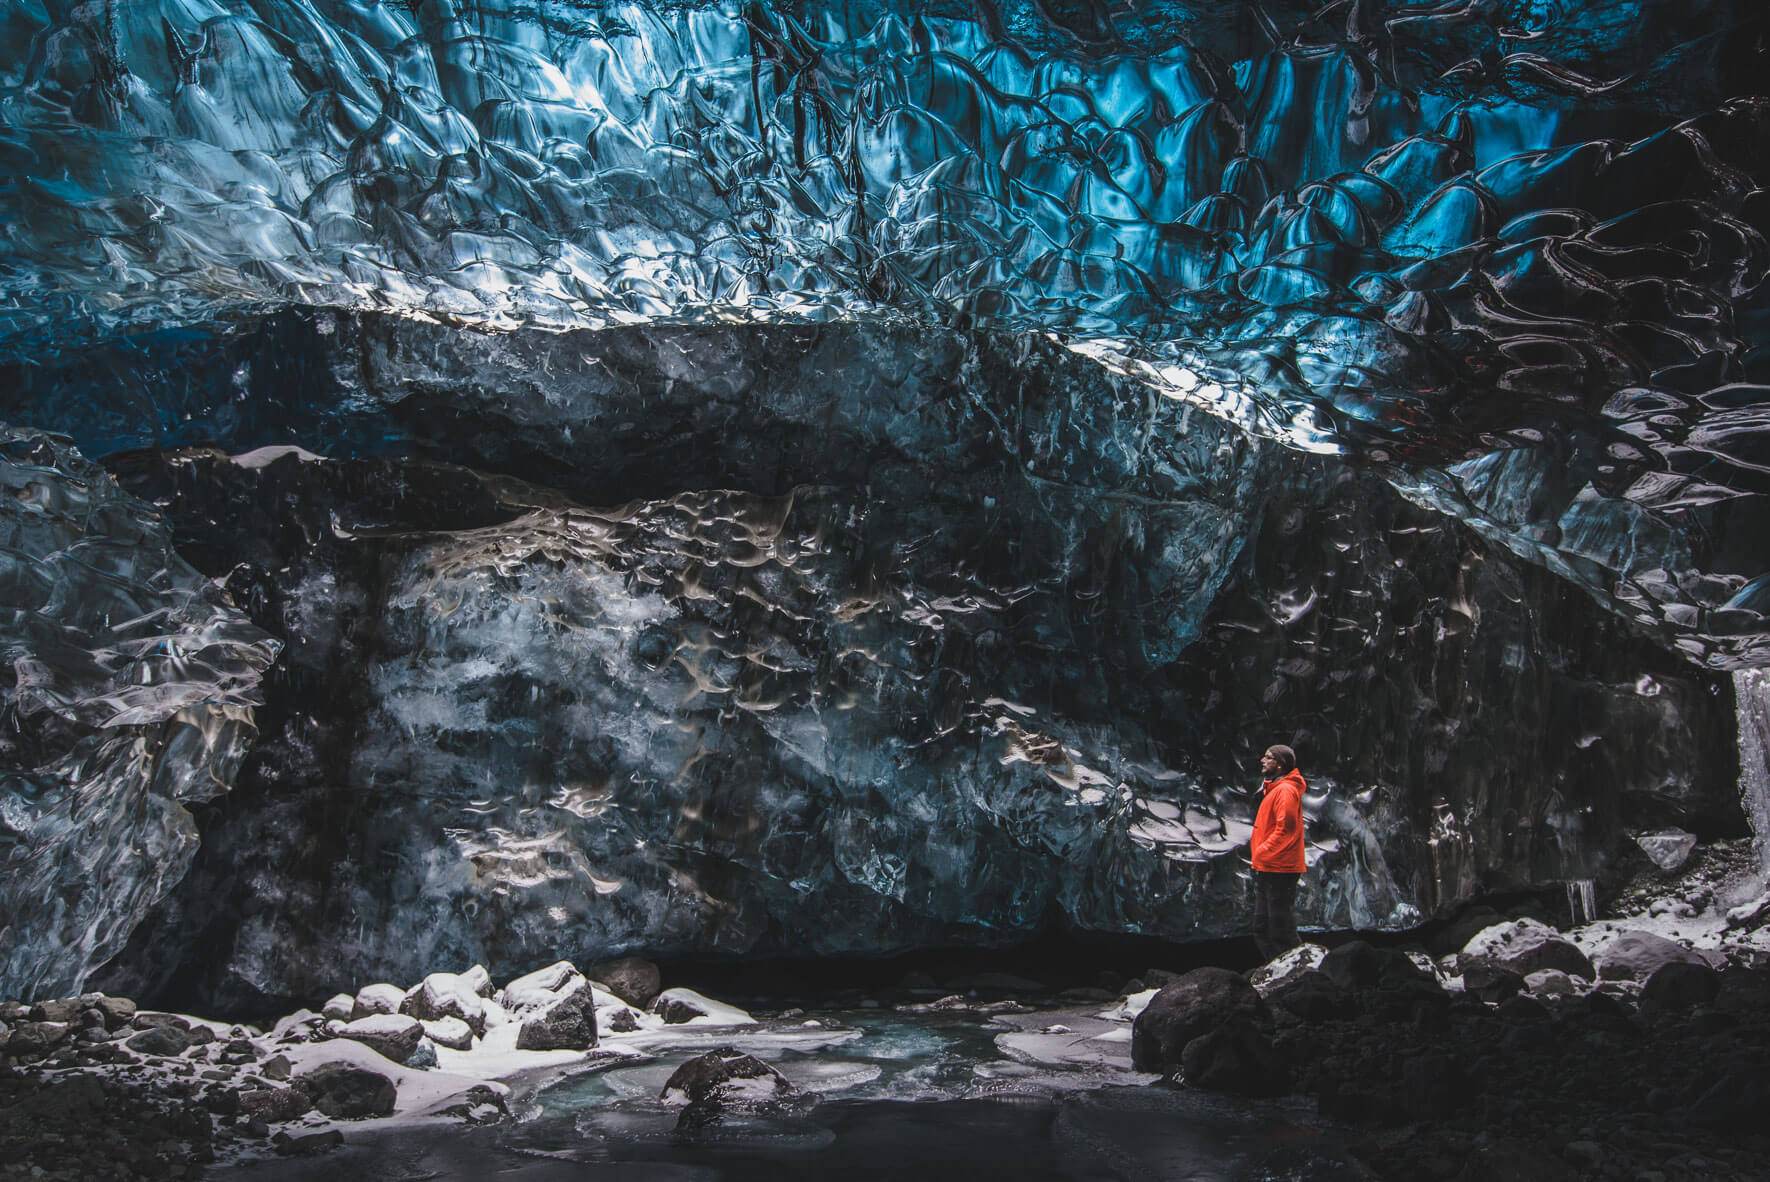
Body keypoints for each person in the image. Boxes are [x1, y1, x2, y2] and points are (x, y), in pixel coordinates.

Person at [1250, 744, 1306, 962]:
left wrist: (1262, 851)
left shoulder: (1285, 791)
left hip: (1280, 869)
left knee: (1280, 931)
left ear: (1280, 766)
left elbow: (1286, 829)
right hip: (1269, 868)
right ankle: (1279, 972)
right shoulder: (1275, 789)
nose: (1262, 760)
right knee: (1262, 929)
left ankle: (1300, 973)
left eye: (1269, 757)